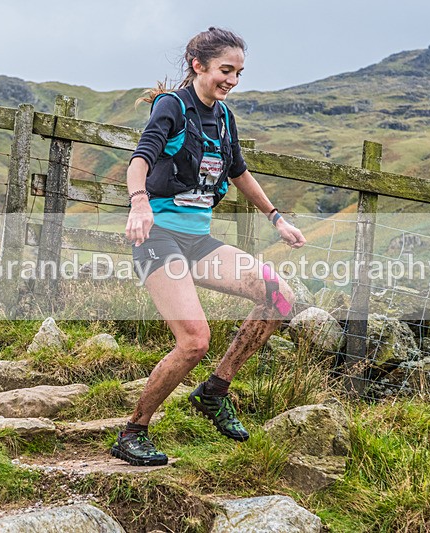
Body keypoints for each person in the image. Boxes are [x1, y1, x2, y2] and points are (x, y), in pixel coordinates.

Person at [112, 27, 306, 467]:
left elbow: (238, 172)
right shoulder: (173, 106)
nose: (232, 80)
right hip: (158, 238)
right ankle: (133, 432)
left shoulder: (222, 118)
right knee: (195, 340)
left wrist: (276, 218)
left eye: (238, 73)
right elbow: (141, 158)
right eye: (225, 70)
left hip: (197, 241)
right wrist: (139, 204)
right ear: (198, 65)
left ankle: (214, 392)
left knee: (279, 297)